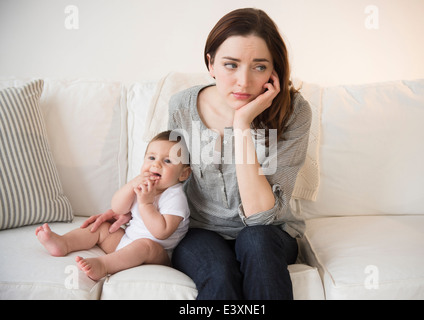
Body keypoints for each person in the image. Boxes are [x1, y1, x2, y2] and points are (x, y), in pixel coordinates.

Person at [84, 8, 311, 299]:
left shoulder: (294, 112)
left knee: (256, 244)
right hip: (201, 231)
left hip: (270, 232)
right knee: (218, 273)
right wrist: (127, 208)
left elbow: (260, 217)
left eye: (258, 66)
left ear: (273, 71)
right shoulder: (182, 106)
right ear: (211, 64)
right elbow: (167, 174)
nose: (243, 81)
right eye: (231, 65)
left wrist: (242, 123)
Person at [35, 131, 191, 281]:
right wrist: (131, 185)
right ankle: (64, 243)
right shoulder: (142, 185)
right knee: (102, 227)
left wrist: (145, 203)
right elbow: (118, 209)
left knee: (146, 245)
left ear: (183, 174)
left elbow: (161, 232)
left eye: (167, 161)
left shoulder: (175, 197)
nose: (156, 164)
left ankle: (104, 264)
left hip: (155, 255)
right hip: (126, 243)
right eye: (151, 157)